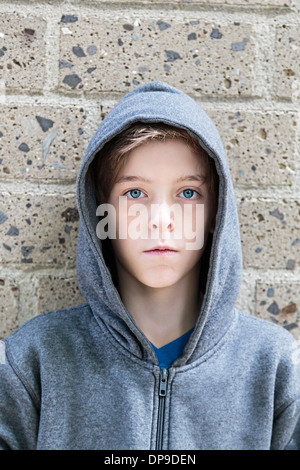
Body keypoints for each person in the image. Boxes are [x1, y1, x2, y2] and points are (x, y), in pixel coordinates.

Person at [0, 81, 299, 450]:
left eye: (188, 193)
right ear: (102, 214)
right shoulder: (31, 362)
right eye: (135, 193)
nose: (161, 219)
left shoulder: (277, 370)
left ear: (215, 215)